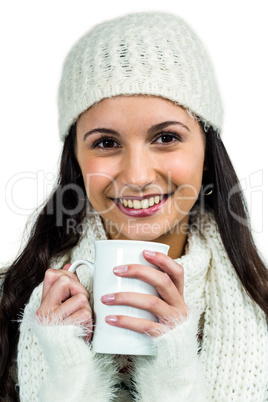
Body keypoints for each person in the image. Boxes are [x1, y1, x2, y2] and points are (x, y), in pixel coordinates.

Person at [0, 11, 267, 402]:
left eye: (166, 137)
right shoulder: (13, 301)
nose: (138, 176)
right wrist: (67, 375)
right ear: (76, 159)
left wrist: (174, 369)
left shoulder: (260, 307)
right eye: (106, 143)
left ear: (208, 153)